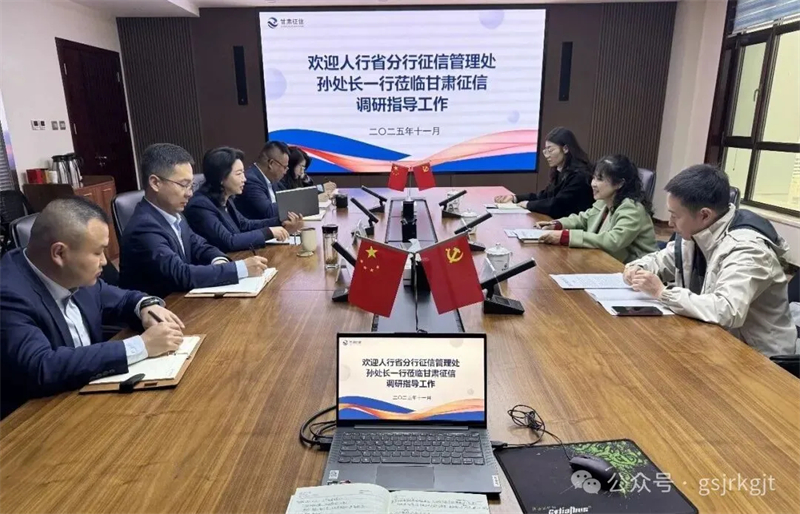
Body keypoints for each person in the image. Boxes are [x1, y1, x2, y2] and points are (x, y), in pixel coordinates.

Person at [0, 197, 185, 418]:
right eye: (98, 252)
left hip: (93, 398)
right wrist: (141, 345)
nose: (105, 261)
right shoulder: (8, 294)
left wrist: (146, 306)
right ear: (59, 253)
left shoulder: (74, 274)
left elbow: (123, 298)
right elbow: (42, 366)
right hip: (39, 419)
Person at [624, 164, 796, 357]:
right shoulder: (696, 233)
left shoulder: (748, 249)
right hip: (715, 340)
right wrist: (638, 267)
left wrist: (662, 293)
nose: (670, 223)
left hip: (759, 357)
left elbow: (726, 310)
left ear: (704, 215)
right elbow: (661, 260)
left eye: (674, 216)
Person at [119, 143, 270, 298]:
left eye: (191, 185)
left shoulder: (174, 214)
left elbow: (199, 245)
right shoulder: (143, 227)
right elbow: (180, 273)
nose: (189, 193)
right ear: (155, 183)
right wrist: (239, 269)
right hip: (164, 307)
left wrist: (218, 260)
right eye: (184, 185)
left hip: (183, 300)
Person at [535, 154, 657, 263]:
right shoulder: (604, 200)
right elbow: (583, 219)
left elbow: (613, 241)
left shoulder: (632, 208)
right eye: (594, 177)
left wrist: (567, 236)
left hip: (635, 270)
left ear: (619, 183)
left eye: (600, 179)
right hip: (607, 261)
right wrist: (557, 224)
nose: (593, 183)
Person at [184, 147, 290, 252]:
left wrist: (281, 221)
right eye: (239, 174)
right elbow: (229, 241)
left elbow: (245, 225)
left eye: (243, 173)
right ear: (221, 177)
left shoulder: (226, 198)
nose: (244, 179)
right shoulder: (200, 205)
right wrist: (268, 232)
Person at [494, 127, 594, 218]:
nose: (547, 155)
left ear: (565, 149)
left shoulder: (580, 175)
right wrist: (515, 198)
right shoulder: (560, 171)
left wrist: (528, 204)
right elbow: (545, 195)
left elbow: (558, 205)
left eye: (550, 150)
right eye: (545, 151)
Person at [234, 140, 304, 231]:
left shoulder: (273, 179)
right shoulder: (250, 180)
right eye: (284, 167)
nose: (286, 171)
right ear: (271, 163)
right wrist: (298, 203)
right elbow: (269, 212)